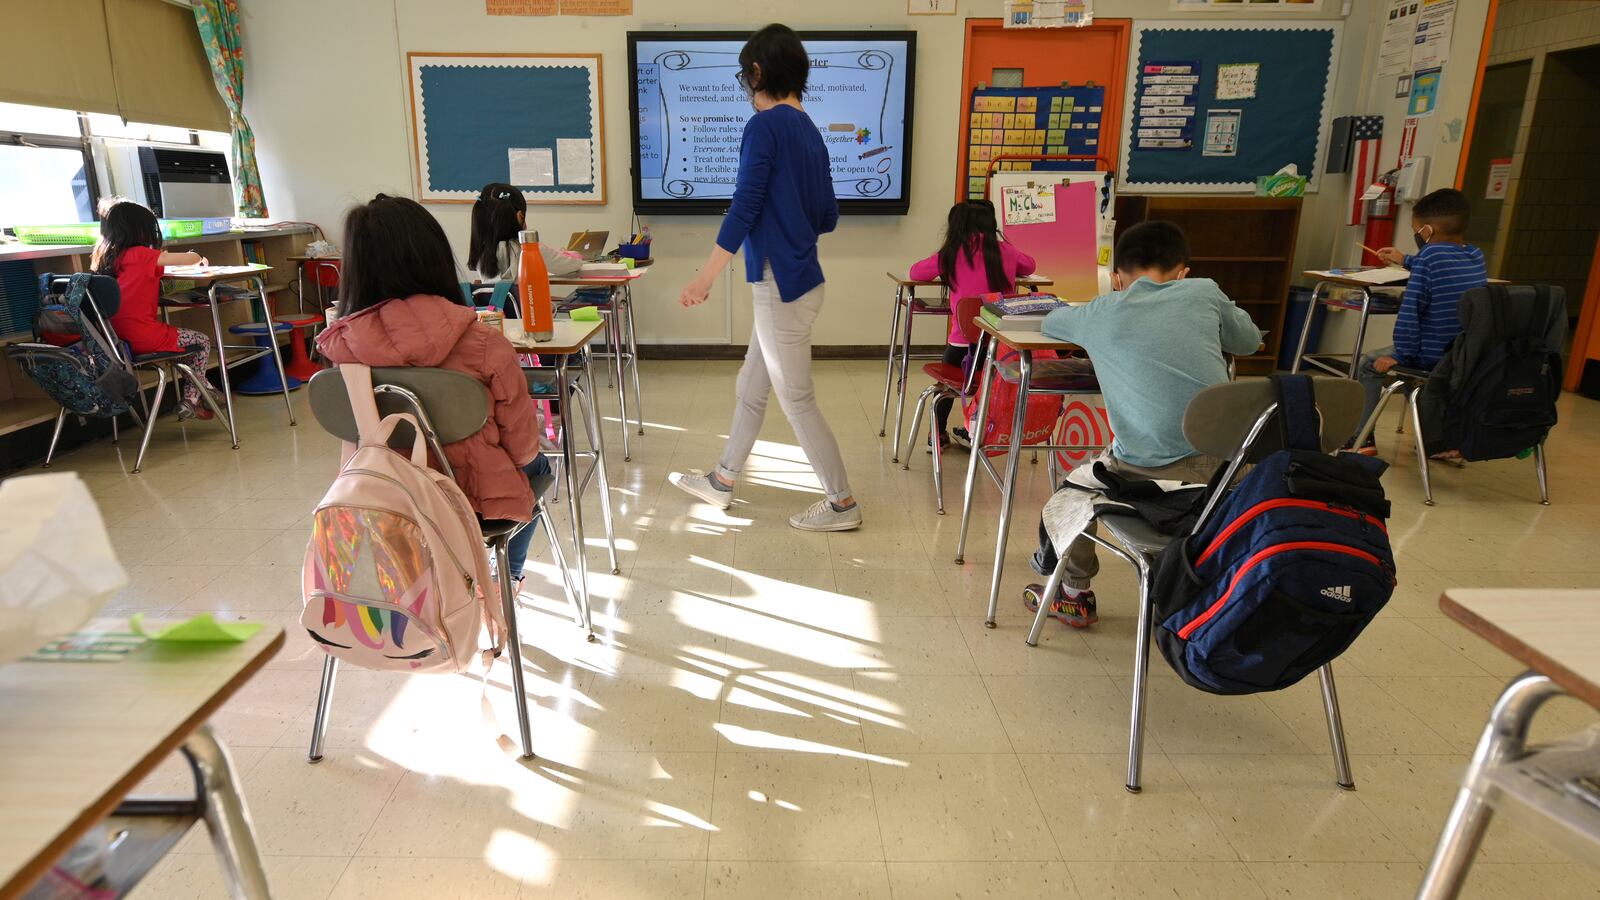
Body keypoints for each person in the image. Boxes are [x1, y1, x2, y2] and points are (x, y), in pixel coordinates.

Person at [668, 23, 861, 532]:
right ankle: (722, 479)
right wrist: (789, 216)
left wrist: (705, 277)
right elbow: (828, 217)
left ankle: (842, 503)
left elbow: (745, 207)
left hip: (781, 286)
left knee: (796, 398)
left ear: (757, 71)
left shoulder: (764, 126)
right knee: (751, 386)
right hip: (802, 280)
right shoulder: (810, 130)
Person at [1023, 221, 1263, 628]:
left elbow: (1050, 323)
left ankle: (1075, 594)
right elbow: (1249, 341)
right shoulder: (1205, 292)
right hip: (1232, 473)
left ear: (1117, 278)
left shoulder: (1102, 311)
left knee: (1073, 490)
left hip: (1145, 473)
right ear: (1183, 271)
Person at [316, 194, 553, 592]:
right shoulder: (486, 344)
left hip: (386, 499)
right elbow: (523, 451)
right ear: (435, 256)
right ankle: (505, 578)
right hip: (476, 501)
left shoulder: (340, 348)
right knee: (540, 466)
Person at [1355, 188, 1488, 455]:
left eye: (1416, 230)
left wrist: (1400, 355)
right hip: (1463, 355)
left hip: (1431, 355)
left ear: (1427, 231)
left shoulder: (1428, 257)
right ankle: (1438, 440)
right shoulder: (1475, 255)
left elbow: (1410, 314)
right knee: (1412, 378)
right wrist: (1405, 260)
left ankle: (1362, 439)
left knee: (1370, 364)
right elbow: (1441, 266)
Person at [908, 199, 1037, 448]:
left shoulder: (952, 253)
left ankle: (937, 434)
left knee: (946, 385)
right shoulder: (1006, 251)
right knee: (988, 384)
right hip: (1001, 345)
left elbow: (916, 273)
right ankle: (981, 431)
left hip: (962, 344)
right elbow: (1030, 266)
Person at [90, 199, 219, 420]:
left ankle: (206, 390)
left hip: (114, 340)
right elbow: (189, 259)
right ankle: (191, 399)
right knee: (202, 342)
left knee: (182, 352)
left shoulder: (106, 258)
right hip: (143, 336)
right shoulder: (141, 254)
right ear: (140, 230)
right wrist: (197, 255)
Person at [465, 182, 582, 292]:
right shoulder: (529, 249)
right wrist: (574, 255)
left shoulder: (482, 253)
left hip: (493, 307)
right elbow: (571, 265)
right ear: (520, 216)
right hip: (527, 306)